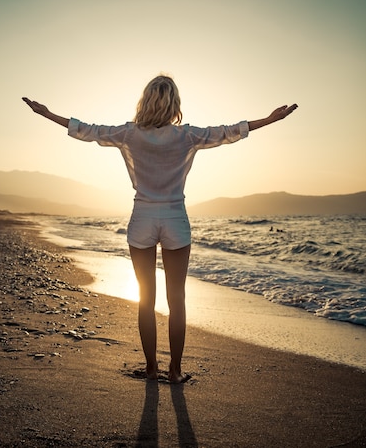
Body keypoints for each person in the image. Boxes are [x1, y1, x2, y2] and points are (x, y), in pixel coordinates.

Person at [23, 75, 297, 383]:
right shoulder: (187, 136)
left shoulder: (129, 133)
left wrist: (47, 114)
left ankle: (152, 368)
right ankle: (175, 371)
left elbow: (88, 131)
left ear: (145, 101)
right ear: (174, 104)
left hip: (142, 217)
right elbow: (228, 132)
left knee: (146, 298)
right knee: (176, 298)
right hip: (174, 217)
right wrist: (271, 120)